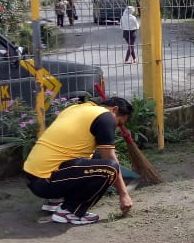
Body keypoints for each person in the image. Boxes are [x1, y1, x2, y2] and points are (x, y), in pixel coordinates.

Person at [23, 95, 135, 225]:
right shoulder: (106, 116)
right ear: (114, 109)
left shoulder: (76, 109)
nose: (116, 127)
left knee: (97, 158)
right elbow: (110, 158)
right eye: (119, 123)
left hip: (34, 176)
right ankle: (70, 211)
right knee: (109, 169)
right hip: (46, 181)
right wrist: (123, 194)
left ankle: (56, 200)